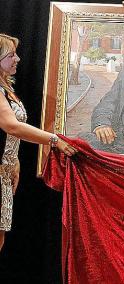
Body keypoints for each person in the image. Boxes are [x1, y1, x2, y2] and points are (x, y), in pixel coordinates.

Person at [0, 33, 76, 252]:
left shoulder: (7, 89)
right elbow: (11, 126)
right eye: (11, 55)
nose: (18, 59)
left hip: (4, 174)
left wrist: (14, 161)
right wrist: (54, 140)